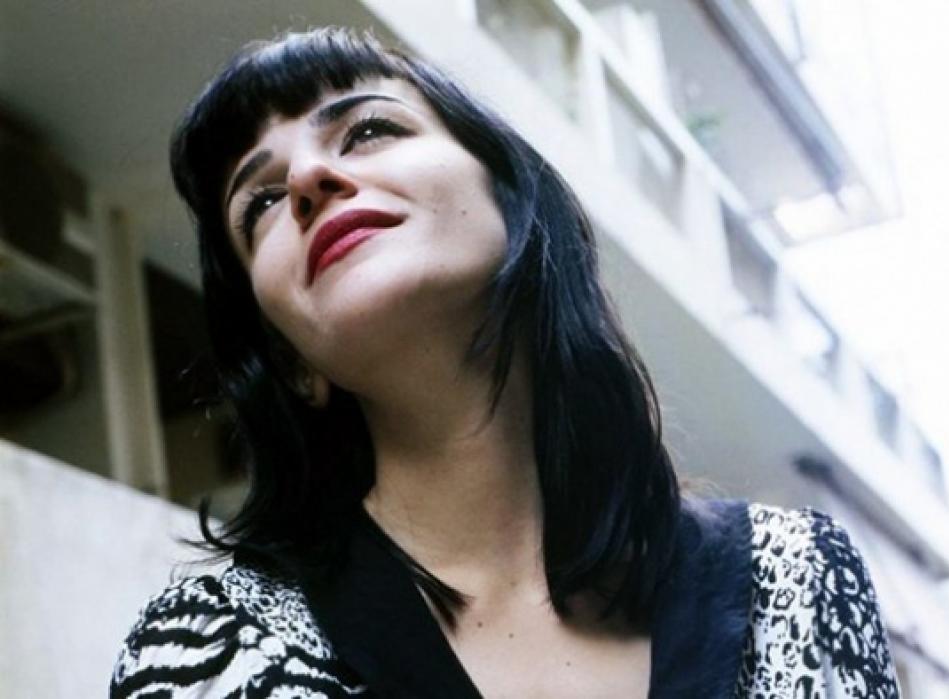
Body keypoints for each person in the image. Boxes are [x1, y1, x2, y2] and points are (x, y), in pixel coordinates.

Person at [109, 27, 899, 698]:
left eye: (368, 130)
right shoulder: (213, 651)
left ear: (513, 203)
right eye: (261, 203)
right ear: (290, 361)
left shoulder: (796, 579)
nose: (309, 179)